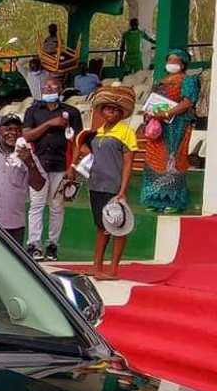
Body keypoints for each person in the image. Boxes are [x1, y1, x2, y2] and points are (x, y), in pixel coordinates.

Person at [68, 86, 138, 279]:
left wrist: (122, 190)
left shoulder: (126, 132)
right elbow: (85, 153)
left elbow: (128, 163)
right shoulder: (96, 133)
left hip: (114, 186)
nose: (112, 112)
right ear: (101, 110)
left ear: (122, 113)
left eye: (116, 110)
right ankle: (97, 266)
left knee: (118, 226)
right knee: (101, 226)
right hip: (96, 184)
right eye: (108, 109)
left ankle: (114, 269)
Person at [23, 77, 83, 260]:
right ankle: (34, 244)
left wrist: (73, 166)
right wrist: (49, 124)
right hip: (38, 164)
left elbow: (78, 141)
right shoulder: (33, 111)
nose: (48, 89)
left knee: (57, 206)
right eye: (45, 86)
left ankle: (52, 245)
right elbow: (27, 135)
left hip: (61, 165)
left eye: (53, 86)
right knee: (36, 205)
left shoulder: (71, 112)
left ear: (61, 89)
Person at [141, 49, 199, 213]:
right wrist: (149, 113)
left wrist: (167, 113)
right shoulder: (161, 81)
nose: (172, 63)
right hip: (159, 127)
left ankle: (174, 201)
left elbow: (187, 102)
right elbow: (151, 102)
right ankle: (154, 199)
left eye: (176, 60)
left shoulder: (189, 80)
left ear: (183, 64)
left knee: (173, 159)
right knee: (155, 160)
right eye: (170, 60)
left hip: (177, 126)